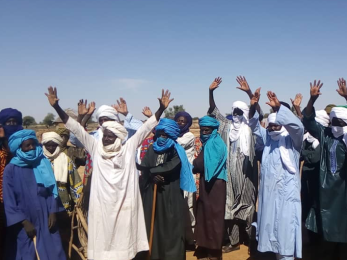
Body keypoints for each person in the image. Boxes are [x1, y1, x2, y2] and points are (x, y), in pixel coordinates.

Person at [46, 86, 174, 260]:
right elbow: (76, 129)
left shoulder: (128, 148)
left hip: (125, 204)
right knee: (103, 241)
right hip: (102, 206)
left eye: (110, 136)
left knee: (125, 241)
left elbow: (145, 129)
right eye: (105, 135)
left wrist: (161, 109)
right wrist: (56, 108)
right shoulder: (96, 148)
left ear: (119, 137)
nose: (105, 139)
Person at [248, 89, 304, 260]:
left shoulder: (293, 142)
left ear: (283, 126)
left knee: (286, 233)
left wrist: (279, 107)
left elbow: (298, 127)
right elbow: (254, 126)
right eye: (270, 126)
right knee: (271, 232)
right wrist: (253, 107)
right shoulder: (268, 141)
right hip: (269, 198)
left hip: (287, 198)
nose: (272, 129)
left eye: (276, 126)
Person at [208, 77, 258, 252]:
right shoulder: (227, 126)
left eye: (239, 111)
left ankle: (252, 240)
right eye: (234, 111)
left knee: (248, 206)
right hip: (229, 174)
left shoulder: (250, 127)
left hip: (247, 176)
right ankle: (234, 242)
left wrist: (249, 95)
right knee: (229, 208)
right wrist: (211, 92)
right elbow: (215, 112)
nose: (236, 115)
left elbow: (253, 114)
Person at [3, 129, 65, 260]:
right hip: (24, 219)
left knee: (53, 251)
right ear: (20, 148)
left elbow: (52, 190)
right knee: (27, 253)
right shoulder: (11, 169)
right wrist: (24, 222)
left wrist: (53, 212)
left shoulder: (43, 162)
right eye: (27, 145)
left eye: (33, 144)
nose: (32, 148)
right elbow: (9, 200)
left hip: (46, 216)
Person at [139, 118, 196, 260]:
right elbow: (145, 167)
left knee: (170, 228)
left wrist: (153, 171)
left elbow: (172, 166)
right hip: (152, 193)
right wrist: (152, 177)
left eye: (166, 134)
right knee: (153, 226)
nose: (162, 136)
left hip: (170, 194)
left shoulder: (177, 150)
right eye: (160, 133)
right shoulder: (152, 148)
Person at [303, 78, 347, 259]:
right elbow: (308, 121)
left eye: (341, 122)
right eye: (333, 121)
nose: (336, 126)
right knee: (327, 235)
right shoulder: (326, 134)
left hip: (344, 193)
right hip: (326, 192)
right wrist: (311, 100)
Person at [193, 116, 227, 260]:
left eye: (206, 130)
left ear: (213, 130)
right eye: (201, 130)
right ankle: (205, 248)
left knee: (213, 218)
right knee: (204, 216)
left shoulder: (215, 144)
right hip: (207, 183)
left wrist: (194, 164)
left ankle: (214, 253)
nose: (203, 133)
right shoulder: (209, 143)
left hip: (216, 185)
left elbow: (201, 165)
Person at [0, 108, 23, 259]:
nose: (12, 126)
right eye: (9, 123)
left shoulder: (24, 145)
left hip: (20, 199)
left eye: (15, 122)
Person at [174, 111, 196, 241]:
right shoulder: (174, 134)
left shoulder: (189, 136)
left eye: (183, 121)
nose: (180, 123)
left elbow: (178, 144)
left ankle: (191, 235)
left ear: (187, 123)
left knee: (189, 204)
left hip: (187, 174)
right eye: (178, 120)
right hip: (177, 173)